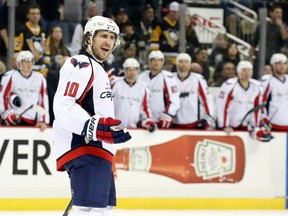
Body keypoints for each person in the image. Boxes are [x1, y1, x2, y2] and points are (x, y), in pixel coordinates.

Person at [52, 16, 132, 216]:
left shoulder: (97, 68)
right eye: (103, 36)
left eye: (112, 37)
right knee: (90, 210)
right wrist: (94, 126)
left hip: (97, 149)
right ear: (89, 38)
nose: (108, 41)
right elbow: (64, 105)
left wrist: (103, 129)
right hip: (85, 147)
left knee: (104, 209)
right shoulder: (80, 63)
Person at [216, 61, 272, 141]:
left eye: (249, 70)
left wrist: (255, 126)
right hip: (231, 126)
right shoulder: (229, 85)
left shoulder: (257, 86)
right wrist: (225, 125)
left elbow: (258, 108)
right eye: (244, 70)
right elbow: (223, 106)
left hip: (246, 126)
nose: (247, 73)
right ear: (239, 72)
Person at [0, 50, 49, 131]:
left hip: (32, 119)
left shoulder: (40, 78)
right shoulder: (9, 76)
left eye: (31, 61)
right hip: (13, 119)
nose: (29, 64)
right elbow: (2, 97)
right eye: (25, 61)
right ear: (19, 63)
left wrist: (43, 120)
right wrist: (7, 114)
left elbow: (43, 101)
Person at [138, 50, 180, 128]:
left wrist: (168, 115)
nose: (156, 62)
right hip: (143, 120)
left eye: (159, 60)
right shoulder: (141, 77)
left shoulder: (168, 77)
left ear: (162, 62)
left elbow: (174, 100)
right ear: (149, 62)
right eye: (153, 60)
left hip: (161, 121)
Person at [172, 53, 215, 129]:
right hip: (173, 123)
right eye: (181, 61)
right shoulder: (170, 78)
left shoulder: (198, 79)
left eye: (186, 62)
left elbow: (207, 99)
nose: (183, 64)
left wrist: (208, 117)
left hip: (192, 123)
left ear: (189, 64)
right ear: (177, 63)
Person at [112, 58, 156, 131]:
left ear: (138, 71)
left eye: (134, 69)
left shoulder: (143, 88)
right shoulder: (115, 84)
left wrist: (147, 121)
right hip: (114, 128)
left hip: (134, 130)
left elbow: (144, 109)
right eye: (129, 69)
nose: (132, 72)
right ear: (125, 70)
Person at [14, 3, 51, 77]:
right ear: (28, 15)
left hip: (41, 70)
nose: (35, 16)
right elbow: (16, 53)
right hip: (25, 69)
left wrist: (46, 68)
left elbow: (47, 53)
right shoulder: (21, 31)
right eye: (33, 14)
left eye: (37, 13)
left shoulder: (44, 32)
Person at [261, 53, 288, 131]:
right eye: (279, 63)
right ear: (273, 65)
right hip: (273, 124)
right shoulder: (267, 82)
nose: (282, 66)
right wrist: (264, 118)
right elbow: (261, 102)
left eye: (284, 63)